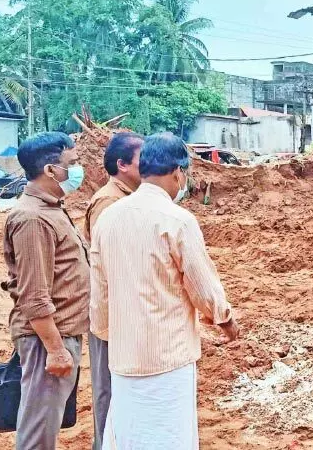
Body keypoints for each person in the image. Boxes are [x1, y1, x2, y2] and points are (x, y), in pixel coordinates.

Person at [90, 132, 239, 449]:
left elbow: (100, 293)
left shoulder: (108, 219)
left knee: (129, 436)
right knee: (168, 436)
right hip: (167, 359)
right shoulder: (178, 220)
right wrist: (225, 319)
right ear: (177, 172)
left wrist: (108, 333)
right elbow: (202, 288)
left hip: (124, 357)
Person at [2, 132, 89, 450]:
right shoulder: (32, 219)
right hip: (46, 339)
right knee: (39, 432)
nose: (79, 169)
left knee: (46, 424)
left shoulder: (51, 209)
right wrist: (55, 349)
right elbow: (34, 294)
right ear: (52, 170)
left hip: (59, 334)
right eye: (73, 163)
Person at [83, 132, 144, 450]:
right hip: (111, 316)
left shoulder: (128, 199)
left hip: (125, 313)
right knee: (108, 391)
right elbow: (113, 264)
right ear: (121, 165)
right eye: (140, 160)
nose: (148, 166)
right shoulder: (109, 202)